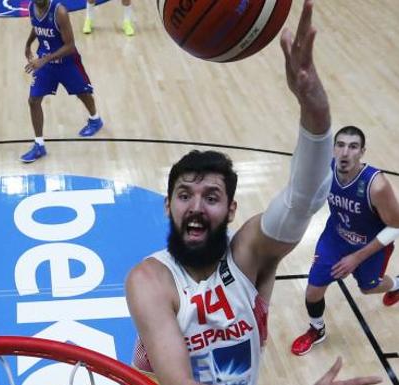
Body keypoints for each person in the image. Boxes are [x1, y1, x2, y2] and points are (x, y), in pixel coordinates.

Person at [124, 1, 382, 385]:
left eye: (211, 197)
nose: (196, 207)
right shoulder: (150, 280)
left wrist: (314, 110)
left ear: (231, 210)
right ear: (167, 206)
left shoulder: (249, 254)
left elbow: (304, 199)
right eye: (184, 195)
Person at [290, 126, 399, 356]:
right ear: (333, 149)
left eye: (353, 147)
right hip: (336, 237)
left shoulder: (376, 185)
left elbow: (395, 226)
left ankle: (397, 285)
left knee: (368, 289)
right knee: (312, 290)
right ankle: (317, 329)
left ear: (362, 152)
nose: (345, 152)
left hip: (371, 244)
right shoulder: (325, 170)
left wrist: (357, 258)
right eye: (340, 145)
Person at [21, 0, 103, 163]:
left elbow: (70, 46)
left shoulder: (60, 12)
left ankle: (95, 119)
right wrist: (28, 44)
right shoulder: (32, 7)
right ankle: (39, 145)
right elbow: (37, 26)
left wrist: (44, 60)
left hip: (67, 62)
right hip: (46, 64)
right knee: (33, 100)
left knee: (83, 93)